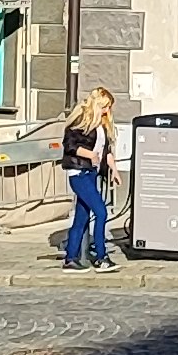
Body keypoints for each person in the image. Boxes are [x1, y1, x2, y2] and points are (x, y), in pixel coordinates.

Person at [59, 86, 117, 270]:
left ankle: (70, 257)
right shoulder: (81, 120)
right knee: (101, 212)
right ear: (98, 104)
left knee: (82, 217)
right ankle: (101, 257)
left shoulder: (102, 125)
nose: (108, 111)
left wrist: (114, 170)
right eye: (105, 106)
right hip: (79, 172)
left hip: (91, 172)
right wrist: (90, 154)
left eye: (109, 107)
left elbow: (105, 151)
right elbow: (69, 145)